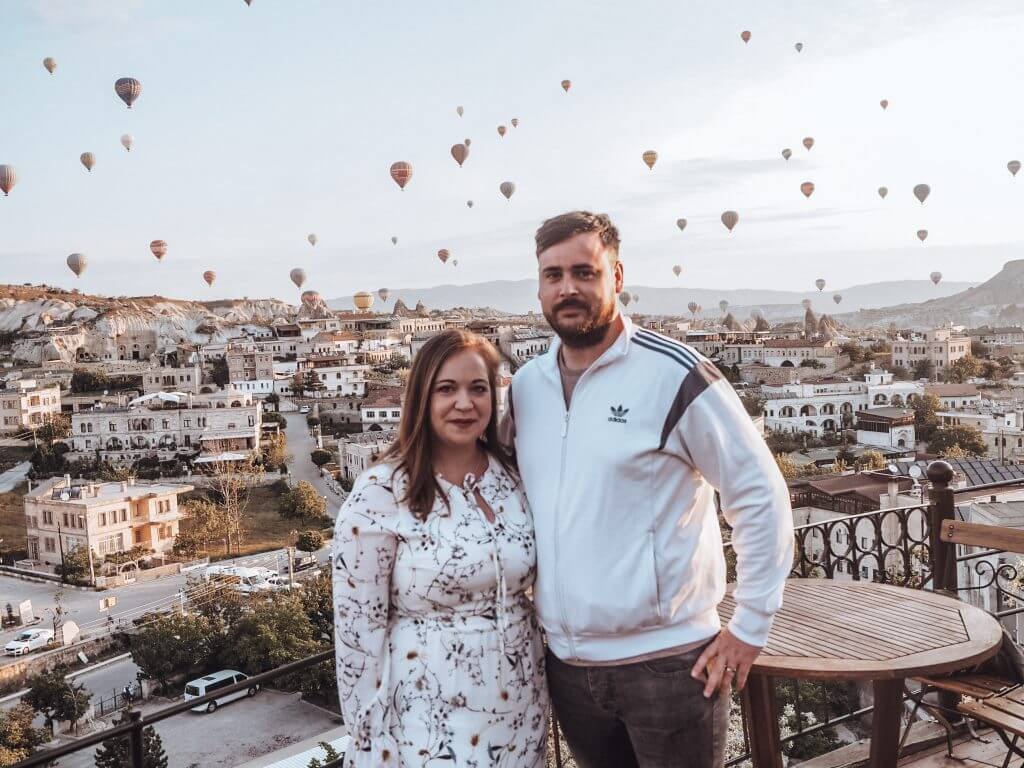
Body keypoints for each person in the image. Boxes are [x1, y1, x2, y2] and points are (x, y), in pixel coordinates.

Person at [507, 211, 794, 768]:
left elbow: (760, 494)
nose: (568, 288)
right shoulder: (527, 387)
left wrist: (752, 624)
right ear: (539, 284)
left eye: (585, 272)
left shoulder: (676, 373)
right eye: (553, 275)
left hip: (670, 665)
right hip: (568, 667)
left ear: (616, 277)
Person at [332, 329, 548, 768]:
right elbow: (357, 634)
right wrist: (369, 738)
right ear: (422, 399)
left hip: (522, 710)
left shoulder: (511, 476)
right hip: (426, 720)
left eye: (478, 388)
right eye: (446, 389)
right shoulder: (381, 491)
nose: (464, 403)